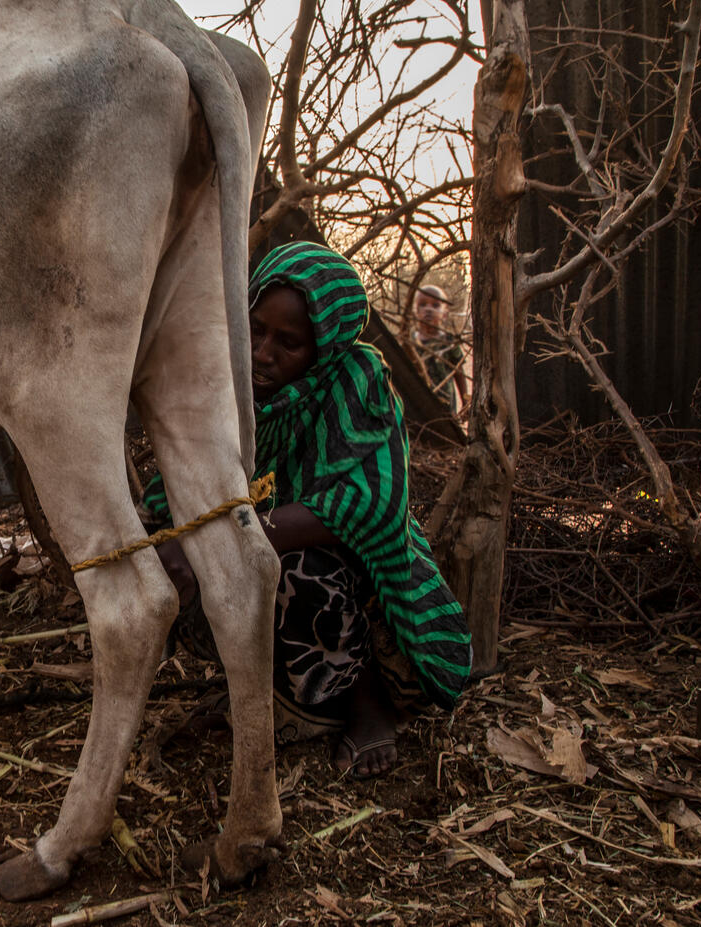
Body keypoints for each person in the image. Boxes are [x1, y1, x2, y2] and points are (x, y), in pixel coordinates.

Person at [145, 242, 471, 778]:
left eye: (290, 342)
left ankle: (368, 707)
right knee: (188, 567)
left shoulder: (359, 383)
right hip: (266, 572)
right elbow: (182, 475)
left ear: (325, 345)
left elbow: (369, 508)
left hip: (362, 604)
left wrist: (218, 537)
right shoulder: (234, 386)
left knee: (297, 571)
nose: (264, 352)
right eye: (256, 329)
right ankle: (272, 696)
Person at [413, 284, 467, 413]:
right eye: (423, 304)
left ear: (445, 313)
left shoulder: (449, 341)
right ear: (415, 311)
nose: (428, 309)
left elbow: (458, 372)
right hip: (419, 406)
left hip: (446, 406)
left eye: (435, 305)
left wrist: (465, 401)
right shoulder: (410, 342)